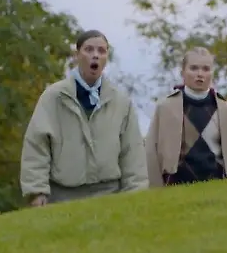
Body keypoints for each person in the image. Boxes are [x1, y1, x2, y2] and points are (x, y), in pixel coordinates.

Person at [19, 29, 148, 206]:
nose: (95, 55)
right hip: (62, 196)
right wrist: (37, 191)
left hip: (110, 194)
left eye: (101, 51)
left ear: (106, 58)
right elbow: (37, 144)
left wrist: (135, 192)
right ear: (77, 55)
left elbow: (132, 150)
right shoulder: (53, 97)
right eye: (89, 49)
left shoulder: (121, 102)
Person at [144, 47, 227, 187]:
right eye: (194, 68)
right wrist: (155, 189)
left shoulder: (226, 110)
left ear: (212, 73)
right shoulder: (166, 108)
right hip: (176, 189)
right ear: (183, 72)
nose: (200, 74)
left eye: (206, 69)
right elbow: (151, 152)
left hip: (220, 189)